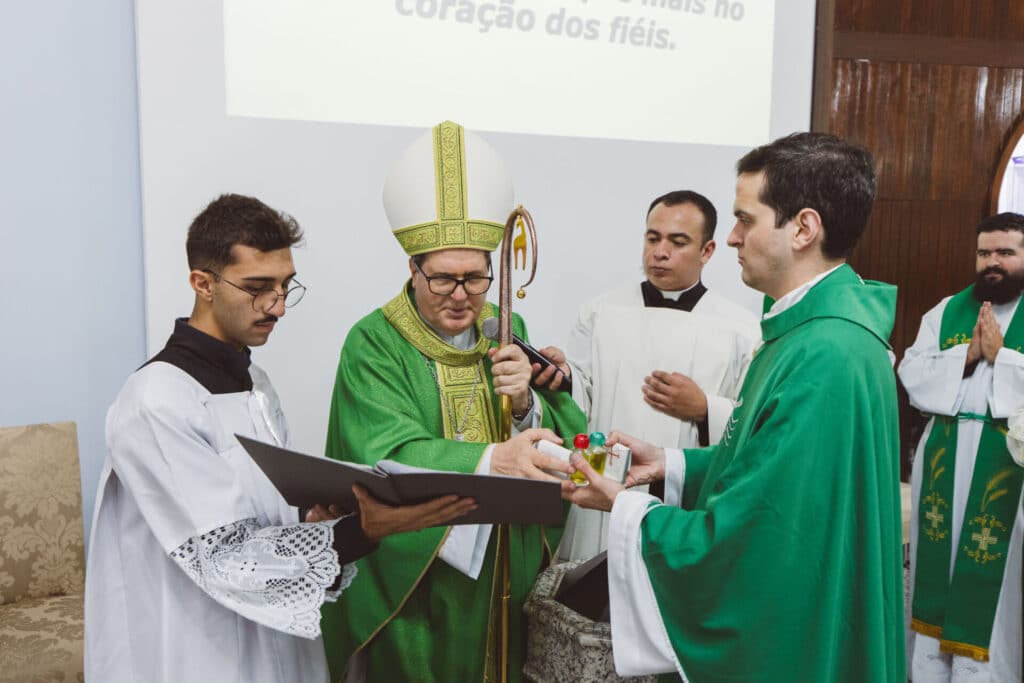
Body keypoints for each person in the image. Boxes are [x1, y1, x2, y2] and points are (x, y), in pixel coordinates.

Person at [84, 194, 474, 682]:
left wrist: (312, 516)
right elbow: (223, 556)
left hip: (269, 633)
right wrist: (362, 531)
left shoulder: (256, 384)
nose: (279, 306)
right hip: (195, 641)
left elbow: (260, 511)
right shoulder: (156, 401)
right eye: (257, 288)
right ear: (202, 284)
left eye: (286, 286)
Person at [566, 132, 906, 681]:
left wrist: (624, 508)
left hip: (797, 636)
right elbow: (770, 469)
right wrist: (672, 465)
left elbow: (759, 535)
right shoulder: (803, 333)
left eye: (746, 219)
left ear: (803, 228)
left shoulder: (826, 353)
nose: (731, 238)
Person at [320, 121, 586, 682]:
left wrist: (525, 405)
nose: (462, 296)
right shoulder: (374, 342)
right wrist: (494, 460)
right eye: (443, 280)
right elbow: (384, 451)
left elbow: (561, 432)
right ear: (413, 269)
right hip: (419, 581)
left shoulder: (506, 328)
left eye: (476, 278)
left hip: (505, 566)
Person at [535, 189, 759, 560]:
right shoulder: (601, 312)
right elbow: (580, 399)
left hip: (682, 505)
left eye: (677, 242)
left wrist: (705, 409)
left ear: (707, 251)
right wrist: (565, 376)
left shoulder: (741, 329)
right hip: (601, 494)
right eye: (653, 238)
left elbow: (753, 422)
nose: (660, 252)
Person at [898, 211, 1024, 681]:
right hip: (944, 462)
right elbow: (911, 374)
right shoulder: (946, 311)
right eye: (984, 253)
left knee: (999, 584)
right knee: (937, 574)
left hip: (1009, 464)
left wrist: (1001, 357)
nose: (993, 262)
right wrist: (967, 355)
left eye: (1006, 252)